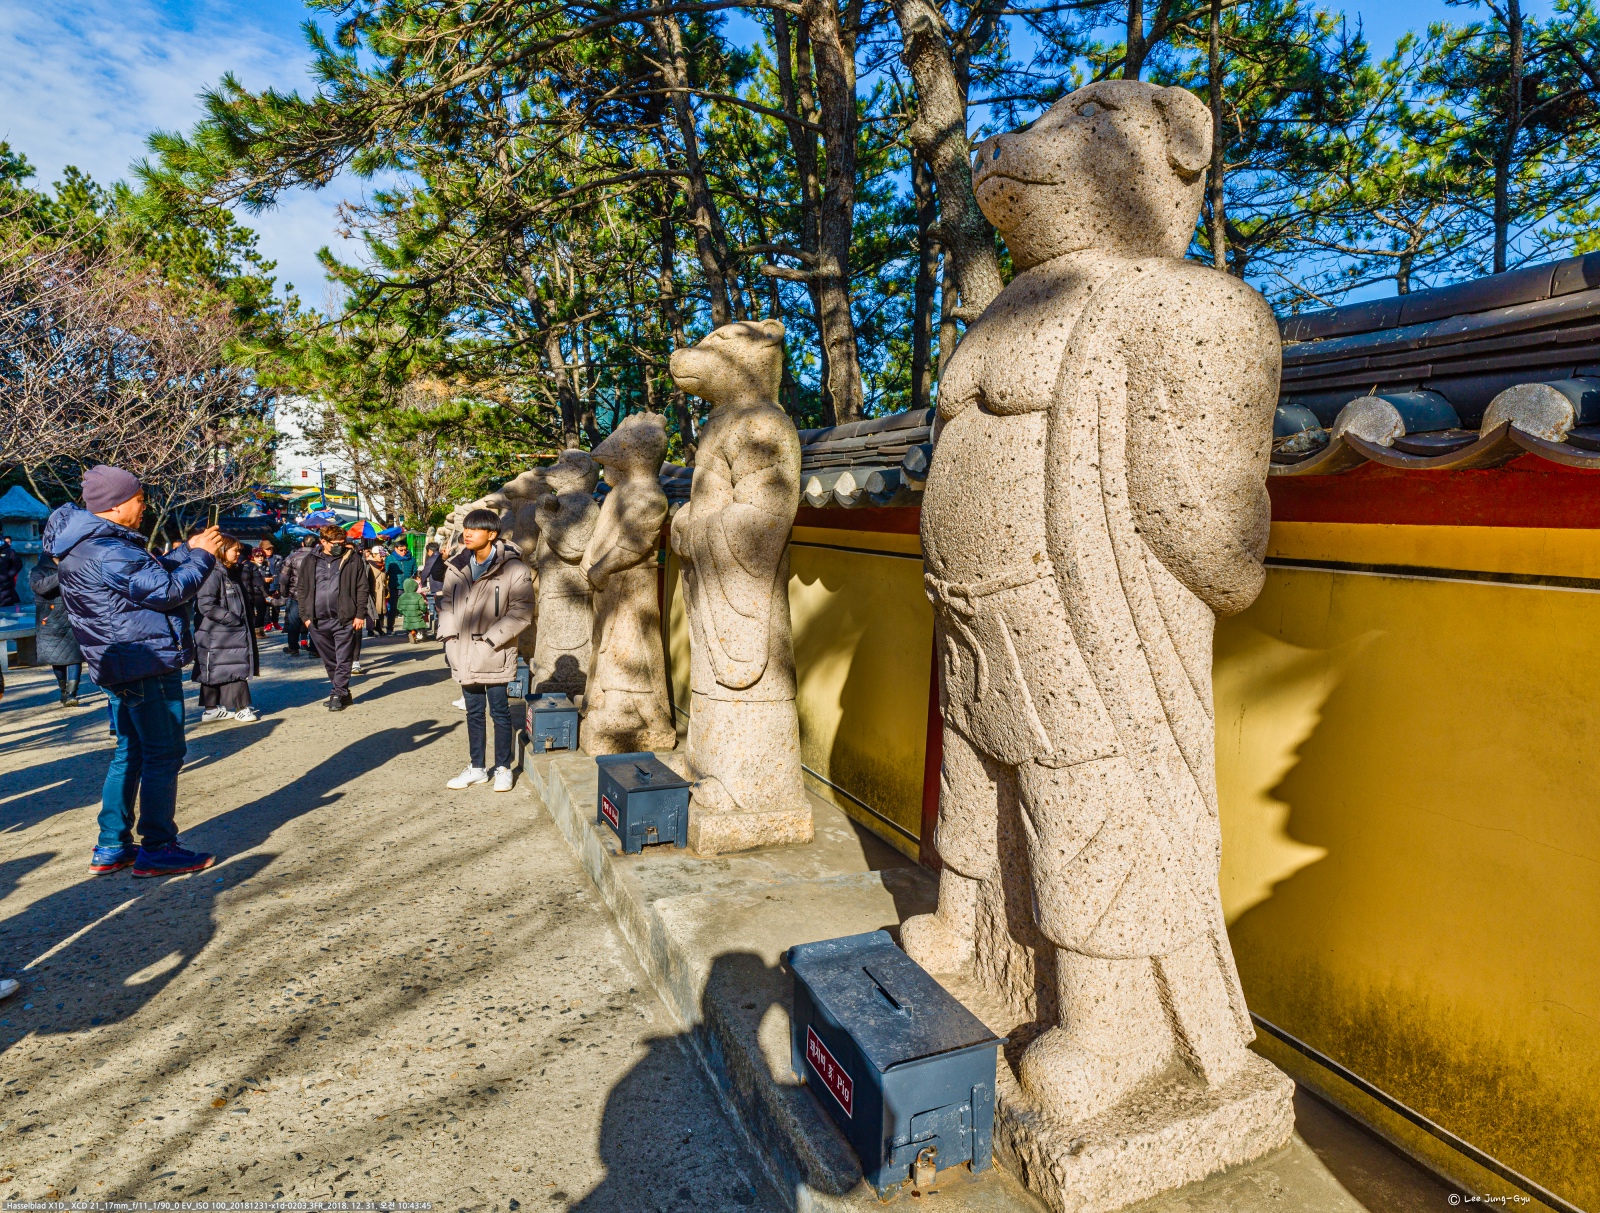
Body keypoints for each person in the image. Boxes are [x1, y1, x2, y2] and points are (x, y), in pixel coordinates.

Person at [45, 464, 224, 878]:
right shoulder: (109, 548)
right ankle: (158, 846)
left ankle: (112, 844)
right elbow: (167, 590)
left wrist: (187, 550)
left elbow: (146, 577)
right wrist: (203, 556)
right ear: (116, 505)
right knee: (164, 753)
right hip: (145, 662)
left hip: (122, 663)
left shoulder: (89, 543)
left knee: (131, 751)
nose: (145, 507)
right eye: (140, 500)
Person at [438, 508, 534, 791]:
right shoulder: (457, 566)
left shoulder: (514, 568)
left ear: (491, 534)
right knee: (473, 712)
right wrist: (449, 638)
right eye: (466, 528)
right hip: (462, 651)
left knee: (500, 712)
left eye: (475, 529)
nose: (467, 533)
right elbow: (446, 604)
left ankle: (503, 767)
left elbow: (522, 611)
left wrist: (491, 641)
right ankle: (477, 767)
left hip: (495, 652)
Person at [292, 523, 370, 710]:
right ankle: (344, 693)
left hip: (344, 618)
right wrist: (305, 616)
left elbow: (362, 587)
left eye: (342, 542)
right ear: (323, 542)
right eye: (335, 543)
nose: (339, 546)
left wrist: (360, 614)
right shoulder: (310, 560)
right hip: (317, 620)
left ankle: (337, 694)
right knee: (330, 660)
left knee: (344, 658)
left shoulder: (353, 559)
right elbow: (301, 589)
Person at [193, 536, 260, 723]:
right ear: (222, 550)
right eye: (235, 550)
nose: (238, 554)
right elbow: (206, 605)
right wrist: (233, 620)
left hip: (223, 631)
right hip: (219, 631)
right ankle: (241, 708)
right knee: (234, 668)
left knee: (215, 668)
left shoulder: (229, 571)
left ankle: (211, 709)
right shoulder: (213, 572)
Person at [29, 551, 85, 707]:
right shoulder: (38, 570)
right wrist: (63, 574)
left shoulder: (74, 567)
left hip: (73, 616)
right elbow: (40, 587)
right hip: (50, 619)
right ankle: (63, 690)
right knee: (57, 658)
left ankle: (72, 693)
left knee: (75, 656)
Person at [280, 537, 318, 655]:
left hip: (295, 593)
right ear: (316, 544)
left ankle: (293, 647)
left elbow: (283, 578)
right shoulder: (319, 557)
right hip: (314, 594)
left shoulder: (292, 557)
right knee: (314, 621)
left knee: (294, 623)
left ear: (302, 543)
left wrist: (284, 593)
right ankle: (314, 649)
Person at [239, 543, 270, 636]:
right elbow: (259, 581)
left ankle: (251, 632)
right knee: (257, 613)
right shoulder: (251, 565)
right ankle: (255, 632)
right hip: (252, 592)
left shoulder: (233, 564)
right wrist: (266, 595)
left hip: (239, 593)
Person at [420, 542, 447, 636]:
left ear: (430, 551)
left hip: (437, 586)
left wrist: (423, 584)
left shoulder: (432, 559)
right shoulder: (443, 556)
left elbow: (425, 573)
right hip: (446, 586)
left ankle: (440, 630)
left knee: (438, 608)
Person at [258, 538, 284, 632]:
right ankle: (267, 623)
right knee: (266, 607)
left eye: (271, 548)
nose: (269, 550)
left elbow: (282, 572)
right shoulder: (259, 559)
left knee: (276, 606)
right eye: (267, 549)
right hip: (265, 587)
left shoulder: (278, 558)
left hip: (276, 584)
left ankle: (275, 622)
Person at [396, 576, 429, 642]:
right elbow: (422, 606)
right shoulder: (418, 596)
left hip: (407, 616)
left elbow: (399, 607)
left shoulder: (402, 597)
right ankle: (420, 633)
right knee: (420, 624)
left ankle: (411, 632)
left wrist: (403, 612)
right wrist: (424, 610)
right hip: (417, 615)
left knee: (409, 625)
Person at [0, 536, 20, 607]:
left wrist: (8, 575)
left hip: (6, 584)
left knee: (6, 606)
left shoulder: (10, 552)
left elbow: (18, 564)